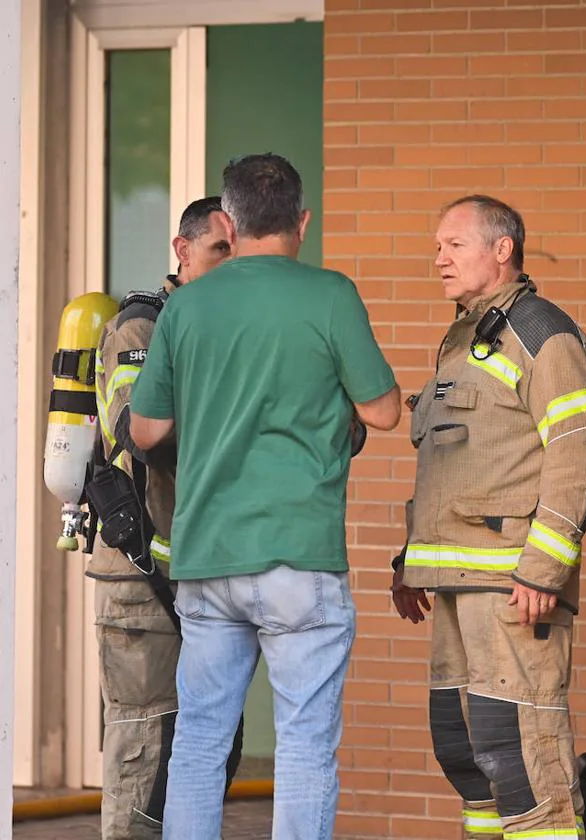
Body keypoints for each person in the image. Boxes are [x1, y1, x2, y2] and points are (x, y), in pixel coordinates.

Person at [129, 153, 401, 840]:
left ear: (228, 220)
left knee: (198, 744)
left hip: (207, 556)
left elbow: (147, 427)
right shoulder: (331, 295)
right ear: (302, 222)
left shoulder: (186, 305)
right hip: (298, 557)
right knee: (304, 746)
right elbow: (386, 412)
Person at [389, 195, 586, 840]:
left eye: (454, 245)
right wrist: (411, 560)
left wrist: (543, 569)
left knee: (522, 763)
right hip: (456, 585)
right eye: (437, 247)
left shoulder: (543, 332)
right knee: (468, 755)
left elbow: (578, 451)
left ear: (502, 248)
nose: (439, 260)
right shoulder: (463, 341)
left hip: (515, 587)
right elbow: (451, 462)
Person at [88, 196, 239, 839]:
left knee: (207, 746)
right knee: (145, 745)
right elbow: (143, 430)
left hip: (199, 569)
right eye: (219, 252)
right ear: (182, 250)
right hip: (138, 572)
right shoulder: (141, 330)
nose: (232, 267)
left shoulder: (223, 327)